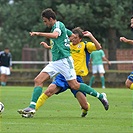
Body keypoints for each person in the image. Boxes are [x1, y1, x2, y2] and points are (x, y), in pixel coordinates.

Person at [17, 8, 109, 116]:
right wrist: (57, 44)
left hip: (65, 61)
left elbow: (56, 35)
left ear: (51, 19)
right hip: (55, 62)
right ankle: (32, 107)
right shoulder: (62, 28)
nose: (45, 23)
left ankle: (100, 96)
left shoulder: (57, 26)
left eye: (45, 21)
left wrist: (39, 33)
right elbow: (70, 36)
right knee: (38, 80)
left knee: (75, 85)